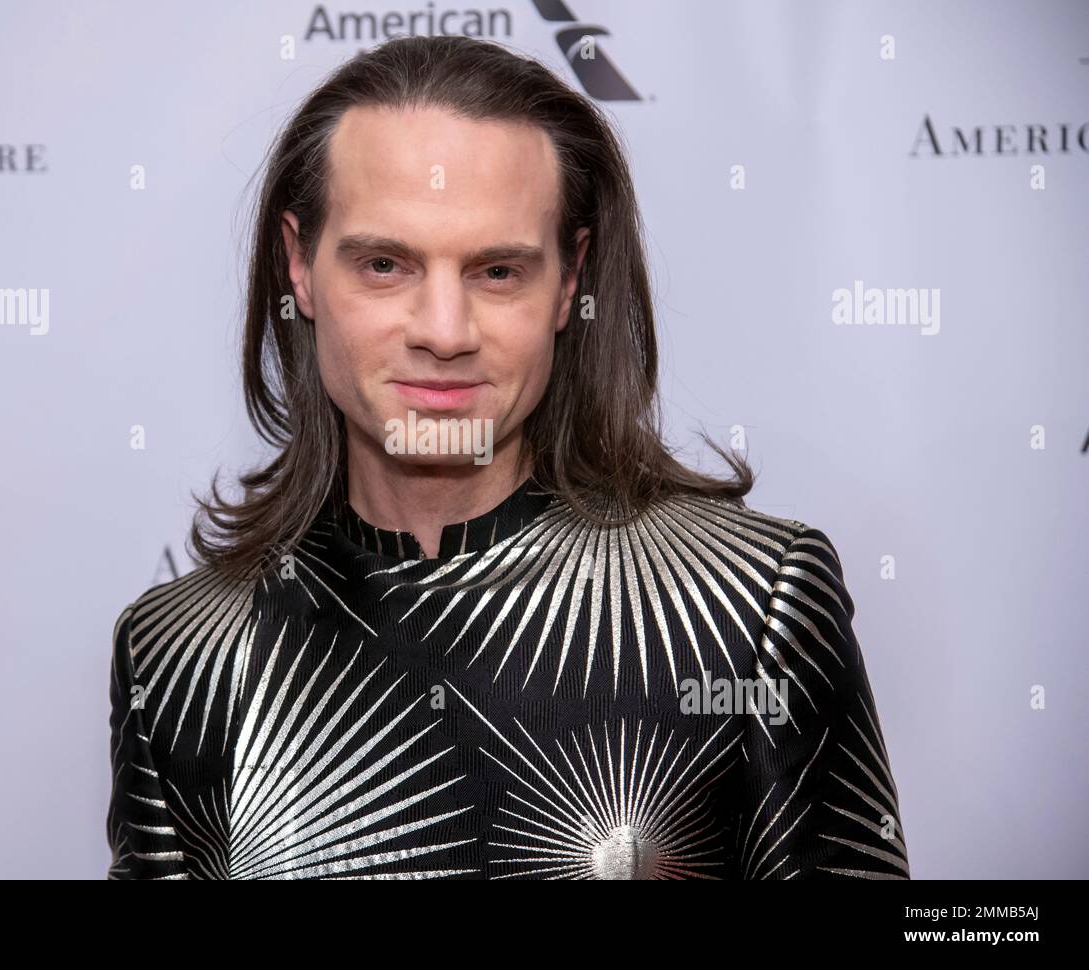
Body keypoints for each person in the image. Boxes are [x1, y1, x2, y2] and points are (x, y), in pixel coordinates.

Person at [105, 34, 909, 880]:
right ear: (298, 265)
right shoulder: (178, 655)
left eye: (496, 272)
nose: (444, 333)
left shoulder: (751, 606)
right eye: (385, 265)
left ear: (570, 282)